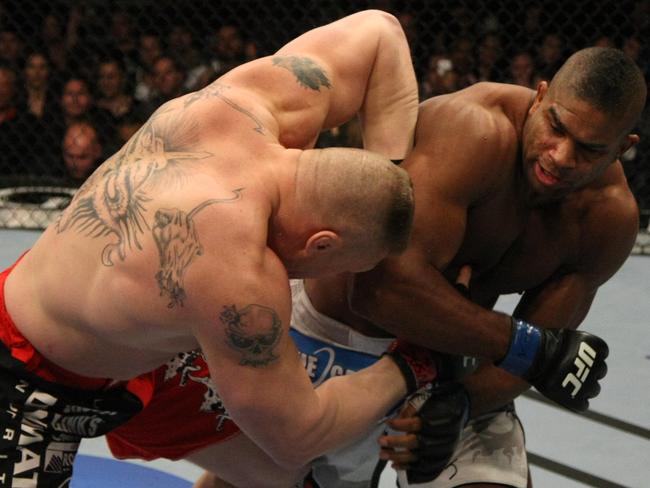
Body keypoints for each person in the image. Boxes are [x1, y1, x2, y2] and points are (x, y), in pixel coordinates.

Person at [105, 46, 639, 488]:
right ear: (540, 95)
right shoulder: (472, 132)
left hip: (458, 359)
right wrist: (522, 347)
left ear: (625, 148)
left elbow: (539, 346)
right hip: (329, 333)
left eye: (591, 149)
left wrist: (461, 400)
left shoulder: (606, 222)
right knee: (266, 475)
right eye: (556, 128)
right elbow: (381, 292)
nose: (562, 157)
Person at [0, 10, 431, 487]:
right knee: (292, 450)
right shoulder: (240, 276)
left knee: (292, 480)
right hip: (30, 372)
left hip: (150, 335)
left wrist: (390, 179)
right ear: (321, 242)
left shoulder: (263, 99)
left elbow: (380, 30)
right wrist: (416, 363)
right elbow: (298, 432)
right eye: (351, 266)